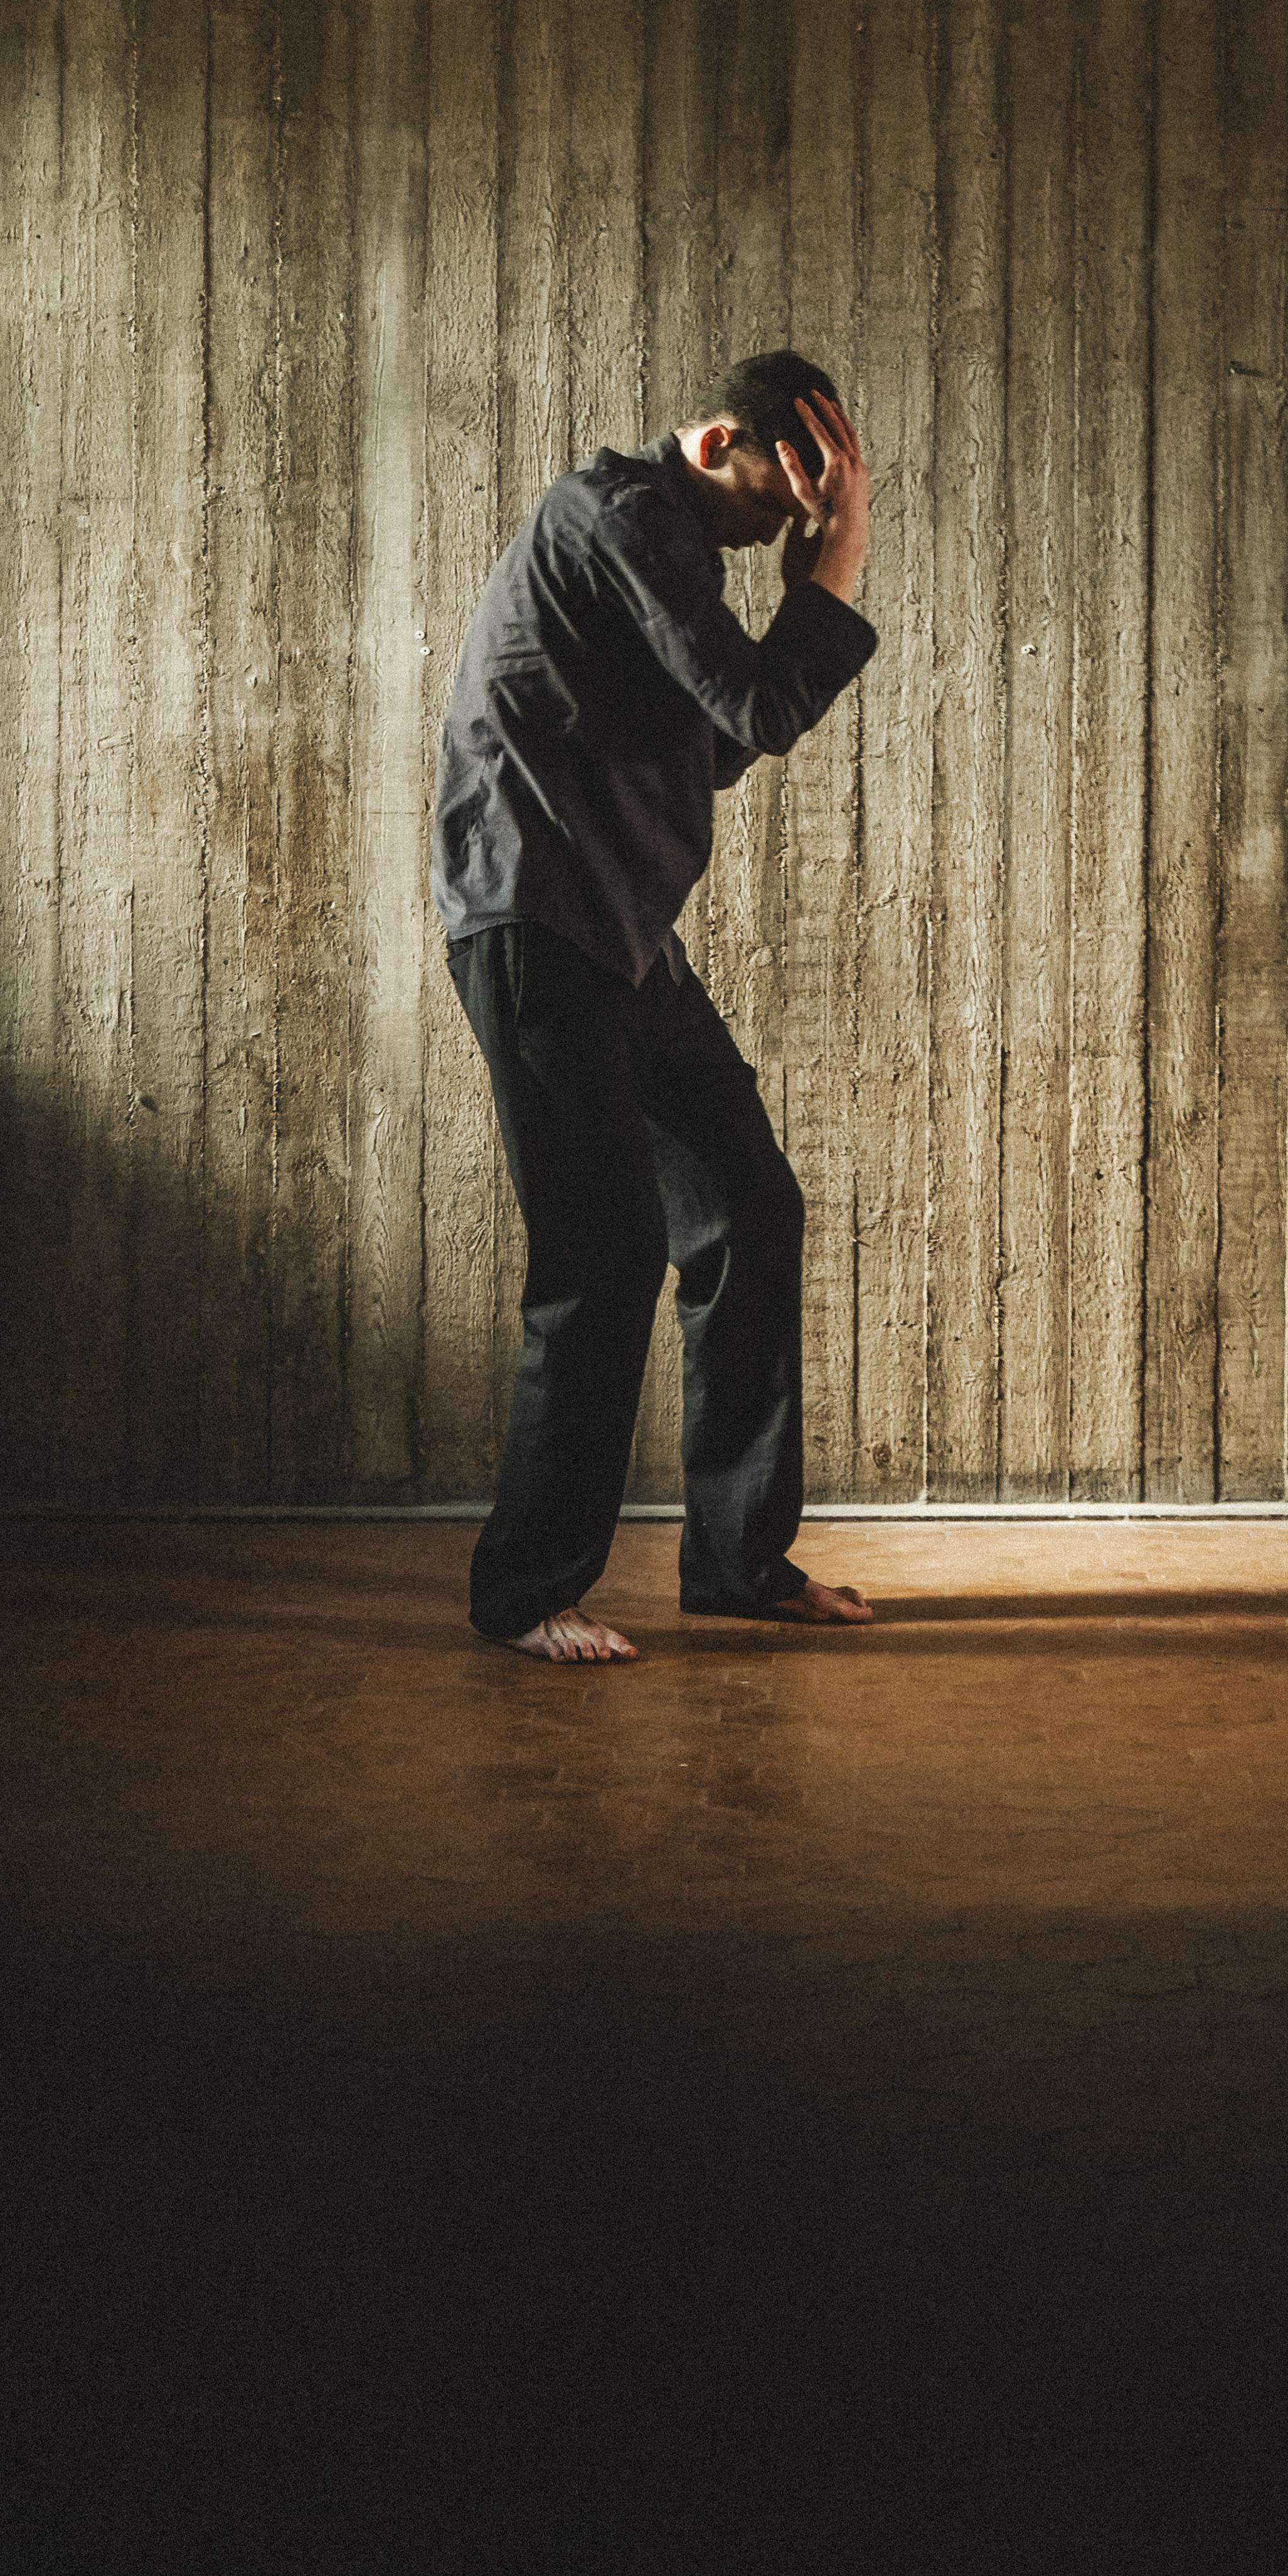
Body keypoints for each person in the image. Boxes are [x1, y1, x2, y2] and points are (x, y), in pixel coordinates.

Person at [430, 351, 879, 1664]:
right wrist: (838, 568)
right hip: (535, 922)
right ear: (717, 441)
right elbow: (757, 707)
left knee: (748, 1209)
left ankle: (739, 1566)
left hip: (623, 938)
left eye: (802, 516)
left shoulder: (673, 557)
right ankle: (527, 1593)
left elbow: (718, 746)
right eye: (775, 501)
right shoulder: (615, 514)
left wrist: (797, 608)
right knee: (604, 1253)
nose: (779, 530)